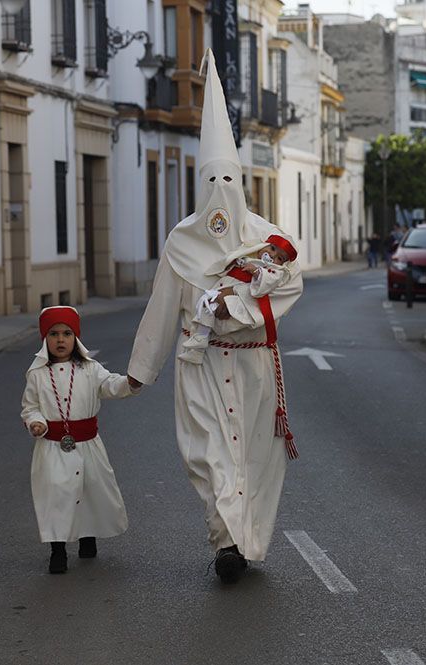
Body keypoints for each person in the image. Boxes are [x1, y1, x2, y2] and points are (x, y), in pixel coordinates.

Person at [127, 49, 304, 585]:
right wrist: (142, 368)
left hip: (253, 368)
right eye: (211, 183)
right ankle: (225, 541)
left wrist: (241, 305)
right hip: (199, 365)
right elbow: (162, 306)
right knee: (206, 456)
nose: (220, 195)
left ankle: (245, 541)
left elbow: (290, 285)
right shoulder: (182, 242)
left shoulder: (267, 239)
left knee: (254, 460)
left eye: (228, 180)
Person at [20, 306, 141, 574]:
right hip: (52, 446)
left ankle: (88, 538)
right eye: (53, 334)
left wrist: (129, 384)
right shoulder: (37, 374)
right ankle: (58, 550)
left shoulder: (90, 369)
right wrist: (36, 422)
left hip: (88, 444)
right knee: (56, 495)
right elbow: (30, 406)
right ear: (44, 338)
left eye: (67, 333)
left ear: (76, 338)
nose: (60, 340)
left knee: (90, 491)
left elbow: (109, 385)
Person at [179, 234, 298, 365]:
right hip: (220, 288)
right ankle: (198, 343)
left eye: (279, 258)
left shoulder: (275, 272)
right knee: (205, 307)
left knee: (216, 314)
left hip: (235, 296)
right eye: (272, 248)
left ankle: (199, 344)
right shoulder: (250, 256)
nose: (271, 256)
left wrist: (257, 272)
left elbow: (267, 283)